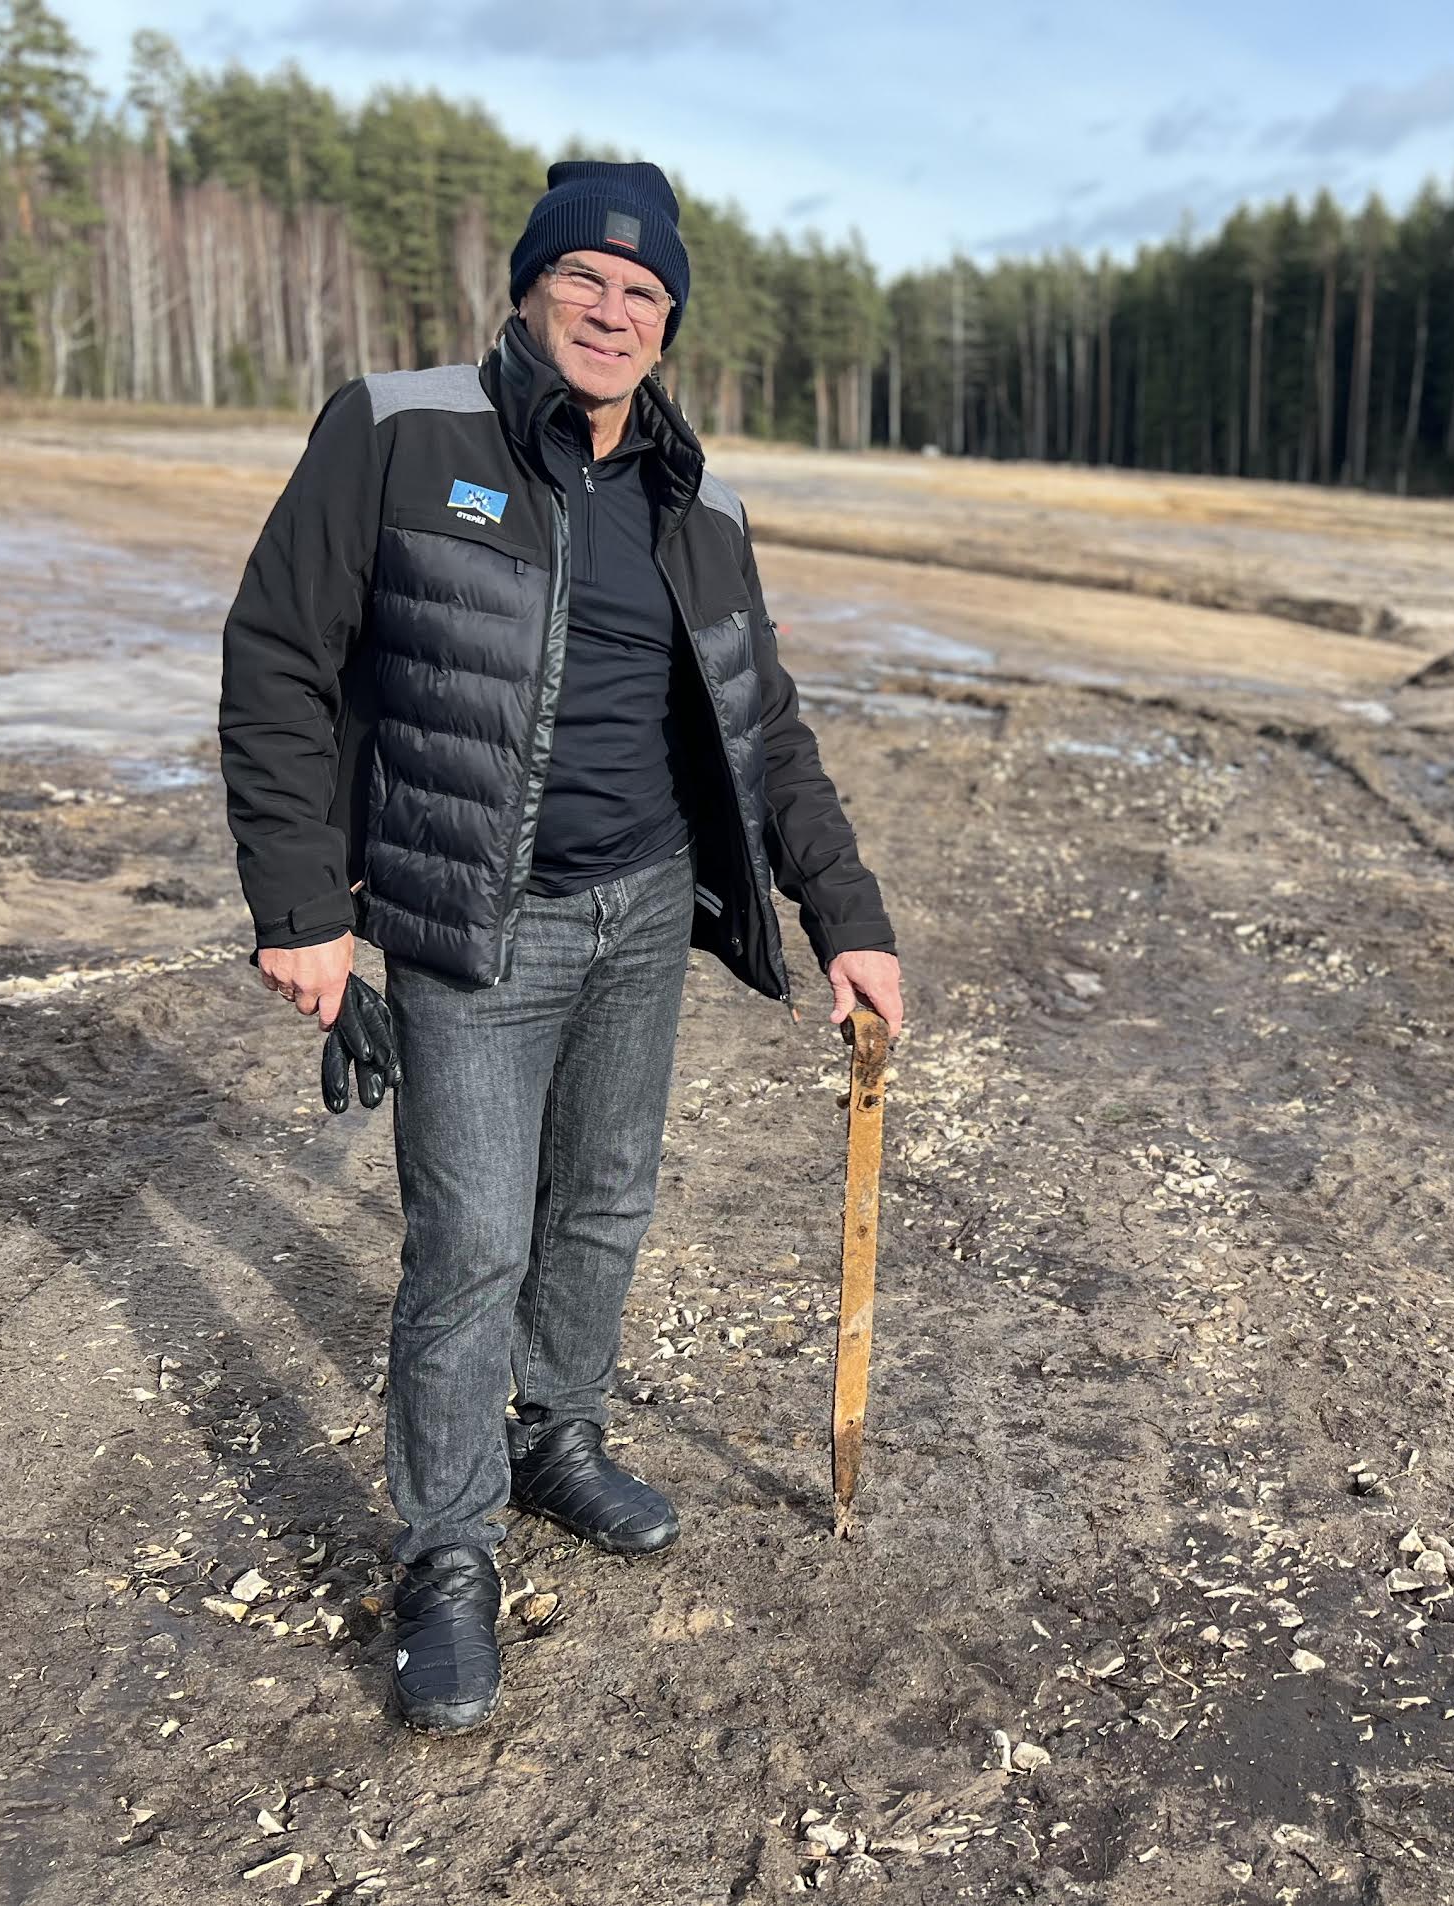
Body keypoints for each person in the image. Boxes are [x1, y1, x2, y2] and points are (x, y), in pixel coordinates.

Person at [217, 159, 903, 1734]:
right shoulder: (398, 431)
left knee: (600, 1205)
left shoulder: (696, 493)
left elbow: (765, 728)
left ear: (668, 328)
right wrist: (300, 903)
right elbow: (280, 657)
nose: (614, 310)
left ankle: (554, 1434)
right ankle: (446, 1553)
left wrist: (846, 921)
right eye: (587, 279)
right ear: (530, 288)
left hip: (644, 906)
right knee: (470, 1246)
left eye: (645, 293)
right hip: (471, 920)